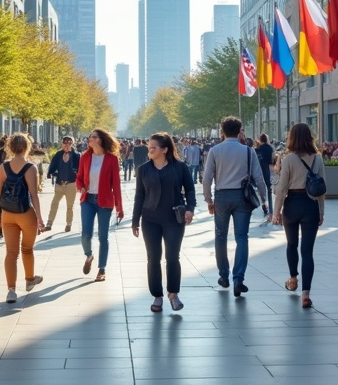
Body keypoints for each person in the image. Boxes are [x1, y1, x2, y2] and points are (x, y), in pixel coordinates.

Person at [203, 116, 268, 297]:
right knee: (242, 237)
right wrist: (264, 200)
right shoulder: (248, 151)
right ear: (240, 131)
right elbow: (259, 178)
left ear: (222, 131)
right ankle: (238, 278)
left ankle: (224, 275)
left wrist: (209, 200)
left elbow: (207, 177)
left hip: (222, 196)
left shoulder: (215, 151)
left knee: (220, 236)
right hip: (242, 196)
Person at [132, 133, 196, 312]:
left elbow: (190, 190)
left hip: (174, 219)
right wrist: (135, 220)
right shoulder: (144, 169)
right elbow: (139, 196)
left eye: (153, 148)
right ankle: (157, 296)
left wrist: (190, 208)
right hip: (150, 219)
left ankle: (173, 294)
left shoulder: (180, 167)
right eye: (149, 148)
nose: (149, 151)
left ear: (165, 149)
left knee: (172, 257)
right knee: (153, 258)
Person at [271, 123, 324, 309]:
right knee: (308, 251)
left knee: (291, 244)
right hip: (311, 204)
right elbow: (321, 189)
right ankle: (306, 294)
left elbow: (281, 188)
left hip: (292, 204)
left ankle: (293, 278)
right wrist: (321, 211)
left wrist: (276, 212)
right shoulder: (317, 159)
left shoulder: (289, 159)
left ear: (291, 138)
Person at [0, 133, 44, 303]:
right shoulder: (30, 168)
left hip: (7, 214)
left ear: (10, 147)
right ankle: (30, 279)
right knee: (27, 249)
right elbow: (34, 195)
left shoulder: (3, 167)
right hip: (25, 213)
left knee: (11, 253)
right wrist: (39, 218)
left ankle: (11, 290)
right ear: (27, 147)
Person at [76, 128, 124, 282]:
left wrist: (119, 207)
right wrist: (80, 186)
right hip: (88, 200)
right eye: (90, 137)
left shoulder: (111, 159)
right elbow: (79, 177)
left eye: (93, 137)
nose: (90, 139)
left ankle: (102, 268)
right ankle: (89, 256)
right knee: (86, 235)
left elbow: (116, 184)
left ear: (100, 140)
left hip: (105, 201)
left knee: (103, 237)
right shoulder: (85, 157)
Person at [45, 136, 79, 231]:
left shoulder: (76, 155)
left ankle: (68, 224)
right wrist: (52, 172)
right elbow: (52, 166)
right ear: (62, 144)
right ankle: (49, 223)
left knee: (70, 206)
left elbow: (80, 169)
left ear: (72, 144)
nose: (67, 145)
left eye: (69, 143)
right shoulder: (58, 154)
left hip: (71, 184)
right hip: (59, 184)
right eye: (65, 143)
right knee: (54, 203)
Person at [255, 134, 274, 210]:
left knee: (261, 186)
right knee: (269, 186)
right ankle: (270, 204)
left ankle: (263, 202)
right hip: (268, 168)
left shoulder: (257, 149)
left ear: (260, 140)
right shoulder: (270, 148)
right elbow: (272, 159)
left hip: (259, 168)